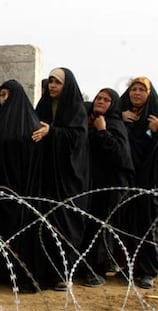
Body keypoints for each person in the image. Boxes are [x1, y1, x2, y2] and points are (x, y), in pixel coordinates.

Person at [0, 79, 43, 292]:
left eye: (6, 95)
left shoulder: (31, 124)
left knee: (16, 234)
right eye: (0, 95)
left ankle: (17, 275)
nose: (2, 99)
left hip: (20, 191)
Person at [32, 67, 90, 291]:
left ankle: (65, 274)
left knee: (65, 224)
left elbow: (77, 138)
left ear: (67, 85)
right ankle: (44, 273)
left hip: (69, 179)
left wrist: (52, 132)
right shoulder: (43, 106)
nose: (53, 86)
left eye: (58, 82)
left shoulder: (76, 109)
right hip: (47, 176)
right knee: (45, 223)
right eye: (51, 82)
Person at [81, 88, 134, 287]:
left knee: (101, 227)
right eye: (98, 98)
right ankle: (86, 267)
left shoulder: (114, 125)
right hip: (93, 183)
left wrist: (103, 131)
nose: (100, 101)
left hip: (111, 186)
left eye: (106, 100)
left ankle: (98, 271)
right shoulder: (90, 120)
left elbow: (120, 155)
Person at [120, 77, 158, 289]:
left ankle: (148, 271)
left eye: (141, 90)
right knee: (127, 224)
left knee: (147, 224)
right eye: (133, 89)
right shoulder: (123, 114)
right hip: (126, 179)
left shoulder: (154, 117)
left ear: (149, 93)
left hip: (149, 180)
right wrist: (119, 117)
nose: (136, 93)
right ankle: (129, 267)